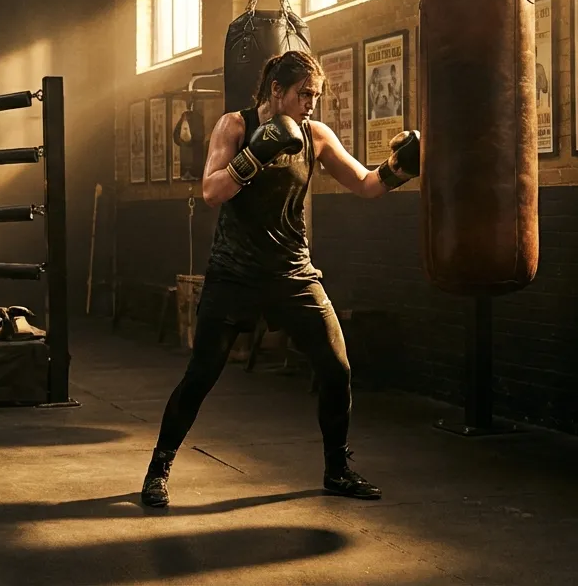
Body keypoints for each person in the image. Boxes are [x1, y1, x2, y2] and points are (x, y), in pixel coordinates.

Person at [140, 50, 421, 509]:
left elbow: (367, 185)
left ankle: (337, 469)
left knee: (337, 368)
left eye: (316, 94)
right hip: (235, 272)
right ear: (277, 90)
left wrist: (402, 167)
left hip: (293, 271)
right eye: (304, 93)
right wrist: (256, 153)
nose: (311, 102)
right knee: (201, 376)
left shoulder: (317, 136)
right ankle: (158, 470)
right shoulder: (235, 126)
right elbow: (211, 192)